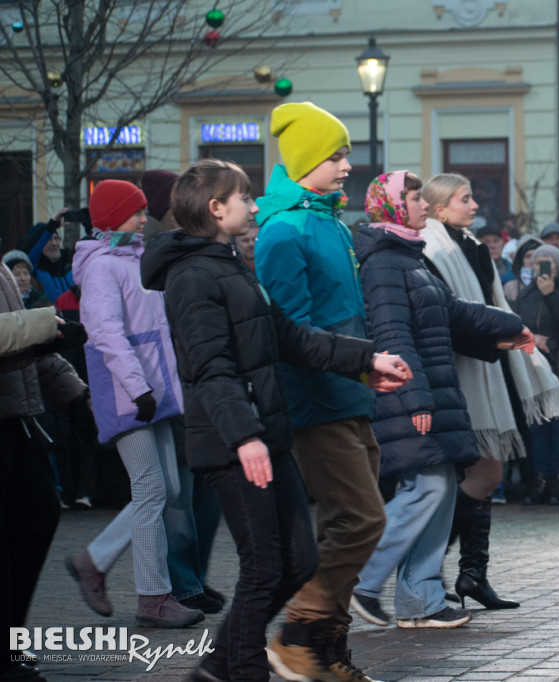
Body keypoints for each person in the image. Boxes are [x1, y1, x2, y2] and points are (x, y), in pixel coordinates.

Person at [140, 158, 410, 682]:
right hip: (234, 445)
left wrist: (364, 360)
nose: (255, 204)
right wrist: (244, 437)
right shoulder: (193, 277)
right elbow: (210, 369)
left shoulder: (229, 265)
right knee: (266, 566)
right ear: (217, 209)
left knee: (298, 561)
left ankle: (220, 666)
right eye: (243, 197)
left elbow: (289, 337)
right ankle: (239, 668)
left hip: (265, 434)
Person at [352, 171, 532, 627]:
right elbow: (392, 337)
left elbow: (454, 312)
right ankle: (362, 580)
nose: (422, 205)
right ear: (394, 207)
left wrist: (508, 328)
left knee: (443, 489)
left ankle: (422, 600)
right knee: (426, 488)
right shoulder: (384, 262)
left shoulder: (406, 257)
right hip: (411, 394)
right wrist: (415, 401)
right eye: (414, 198)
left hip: (432, 389)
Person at [252, 102, 391, 680]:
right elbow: (294, 333)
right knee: (361, 520)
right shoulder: (284, 231)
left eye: (346, 153)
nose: (346, 166)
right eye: (335, 156)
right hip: (317, 401)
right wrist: (355, 369)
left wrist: (366, 372)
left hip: (350, 395)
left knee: (349, 522)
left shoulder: (329, 221)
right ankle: (299, 630)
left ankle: (325, 650)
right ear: (306, 160)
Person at [67, 179, 208, 627]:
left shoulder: (134, 259)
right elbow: (106, 332)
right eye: (134, 212)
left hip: (153, 392)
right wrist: (138, 389)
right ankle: (153, 597)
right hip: (131, 395)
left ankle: (94, 561)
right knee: (151, 489)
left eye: (144, 210)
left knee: (167, 489)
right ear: (112, 218)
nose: (143, 218)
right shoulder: (102, 267)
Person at [421, 173, 559, 610]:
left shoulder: (472, 247)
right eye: (465, 199)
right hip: (456, 372)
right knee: (471, 478)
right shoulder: (430, 249)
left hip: (485, 369)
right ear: (440, 208)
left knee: (485, 475)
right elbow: (442, 318)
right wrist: (494, 339)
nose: (474, 205)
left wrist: (506, 335)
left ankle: (469, 574)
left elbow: (489, 306)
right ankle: (429, 569)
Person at [1, 263, 87, 682]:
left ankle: (11, 643)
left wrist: (72, 397)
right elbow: (21, 335)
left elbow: (29, 352)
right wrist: (45, 325)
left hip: (13, 419)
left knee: (38, 514)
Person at [511, 243, 559, 504]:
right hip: (535, 367)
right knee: (539, 428)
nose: (542, 265)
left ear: (557, 264)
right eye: (537, 260)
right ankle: (540, 482)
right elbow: (516, 325)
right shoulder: (526, 294)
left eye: (548, 261)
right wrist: (531, 338)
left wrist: (552, 294)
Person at [18, 209, 76, 302]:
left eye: (56, 238)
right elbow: (24, 253)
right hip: (50, 315)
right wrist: (51, 225)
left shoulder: (71, 258)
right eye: (49, 239)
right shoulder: (35, 266)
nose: (54, 243)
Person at [503, 235, 542, 303]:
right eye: (528, 256)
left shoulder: (550, 286)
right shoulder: (510, 287)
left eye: (536, 256)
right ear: (520, 261)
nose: (532, 261)